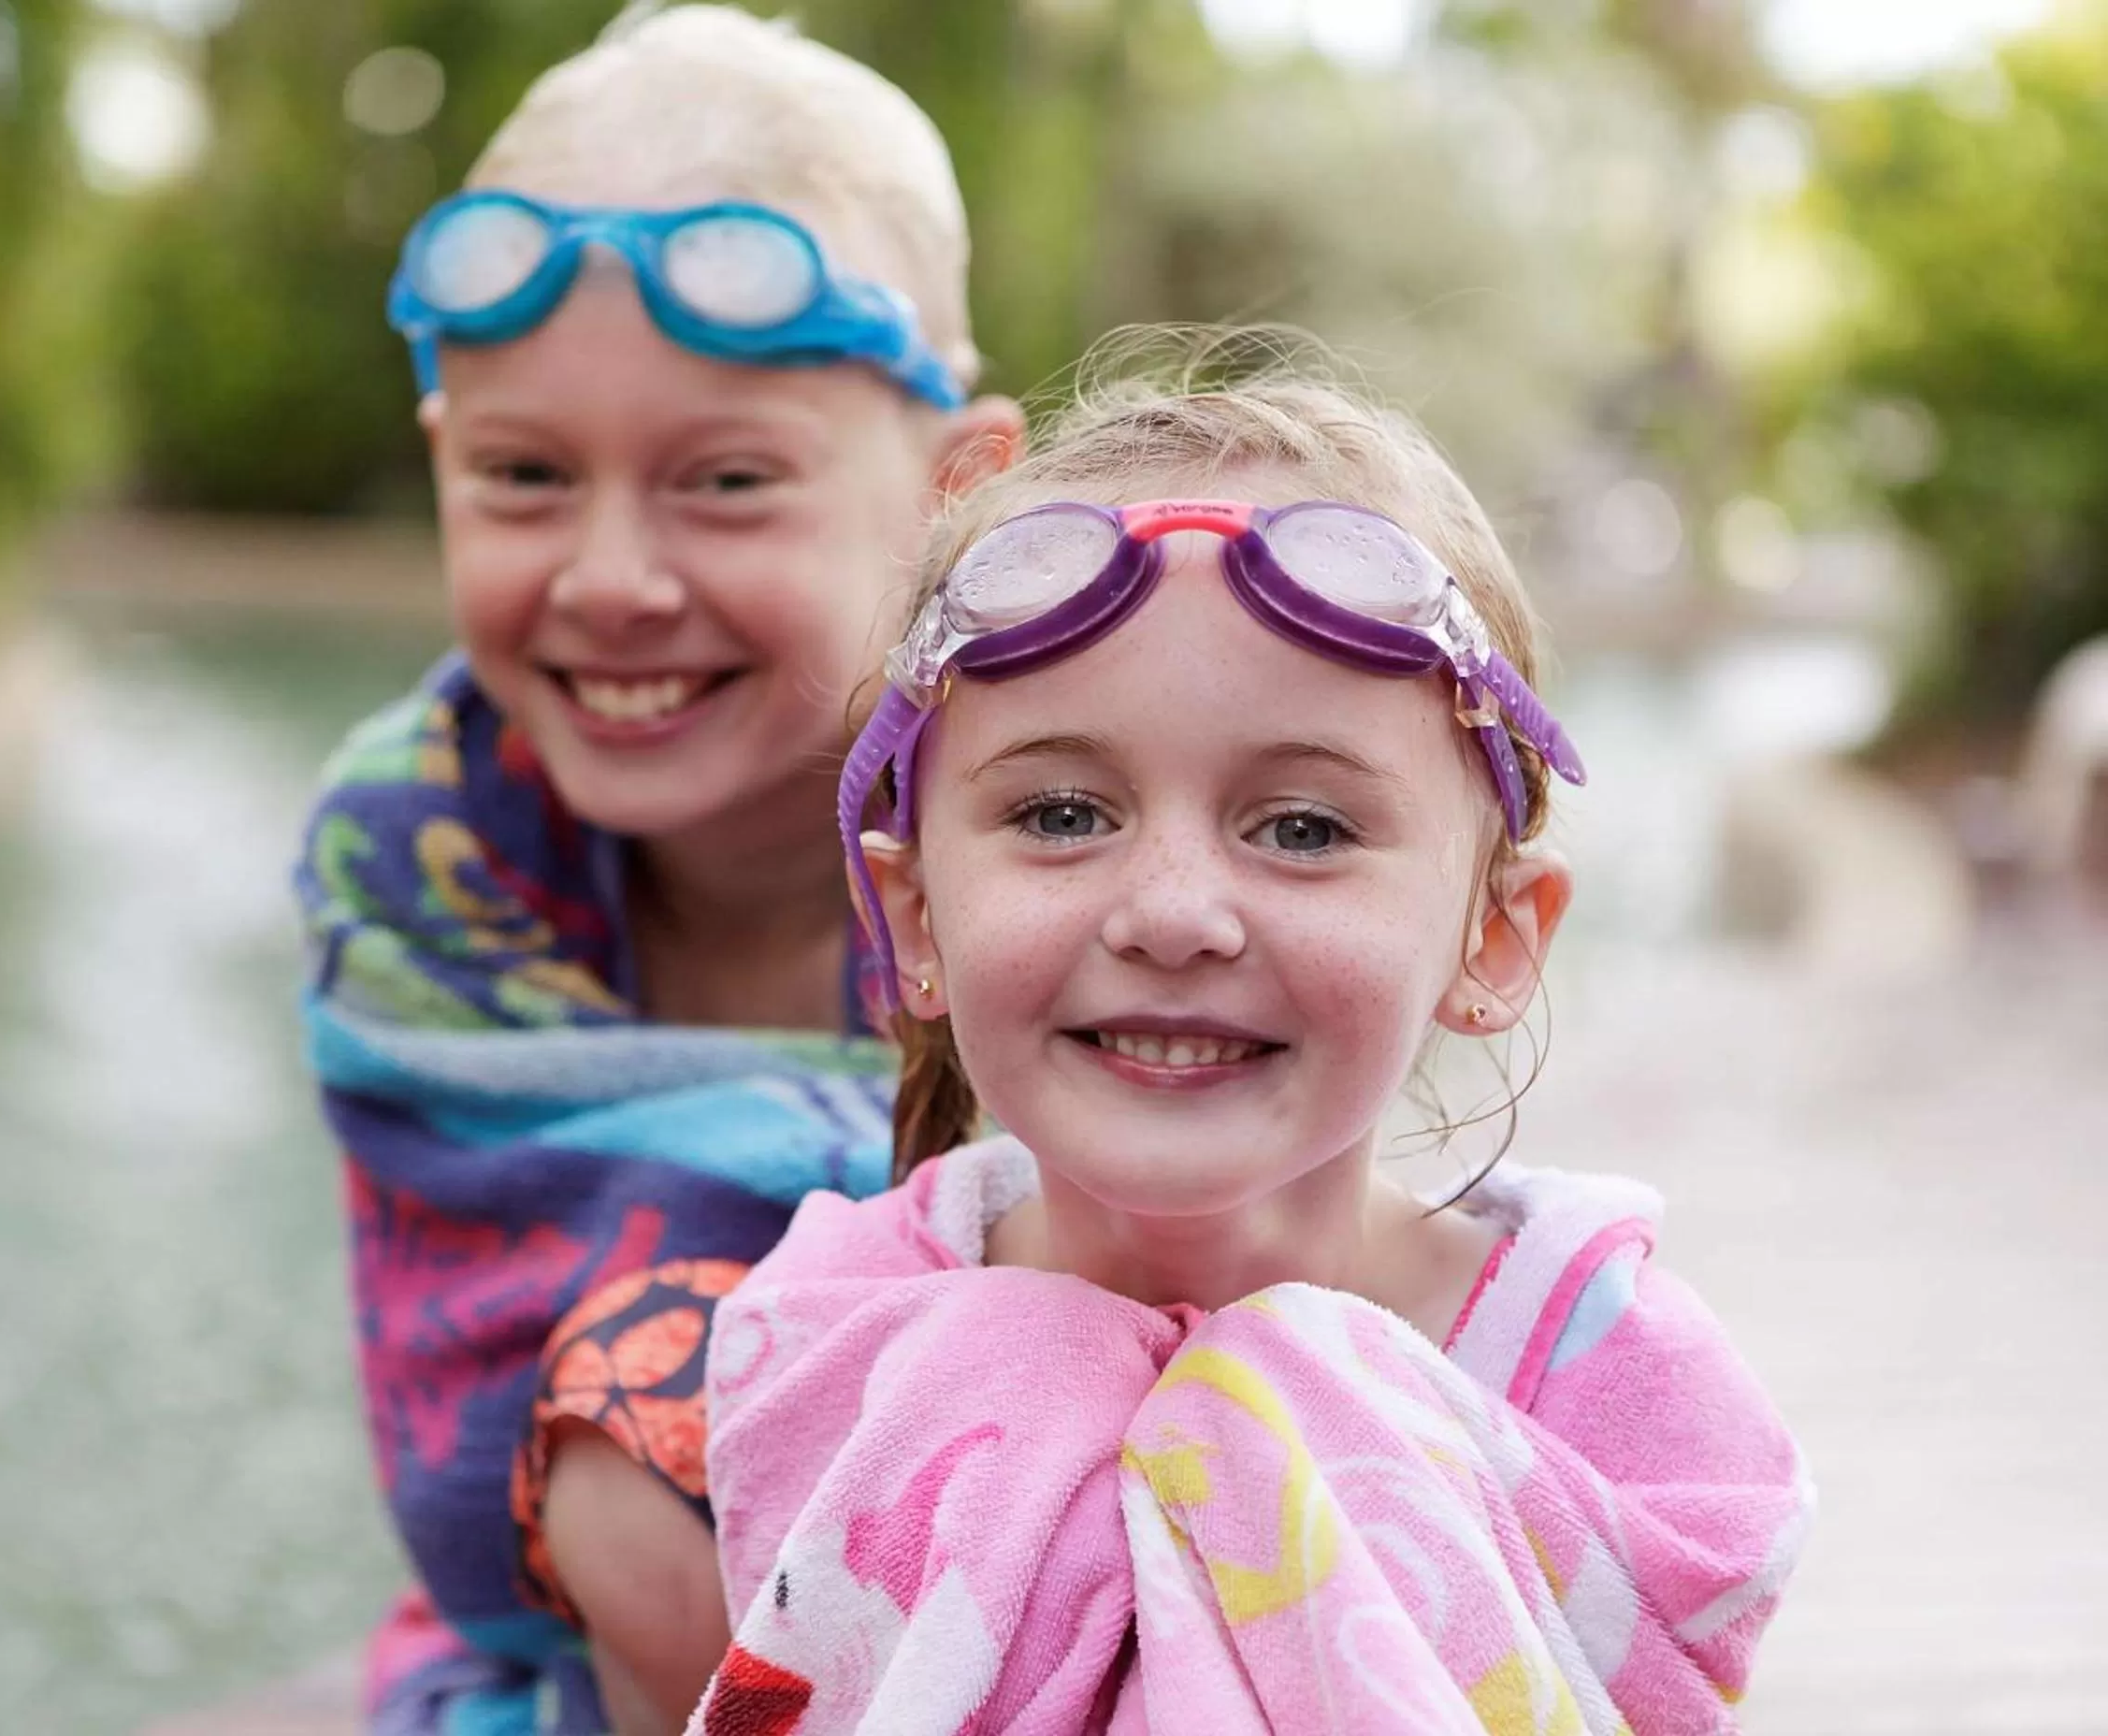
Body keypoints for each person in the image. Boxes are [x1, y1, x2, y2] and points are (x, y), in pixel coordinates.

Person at [691, 346, 1812, 1729]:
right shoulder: (824, 1338)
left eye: (1303, 829)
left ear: (1496, 938)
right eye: (1060, 815)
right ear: (917, 919)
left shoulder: (1613, 1382)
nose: (1172, 915)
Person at [291, 7, 1021, 1731]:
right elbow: (484, 1403)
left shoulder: (1057, 816)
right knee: (644, 1472)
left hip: (1030, 1571)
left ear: (953, 489)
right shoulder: (429, 833)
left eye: (727, 482)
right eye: (526, 476)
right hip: (573, 1637)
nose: (612, 578)